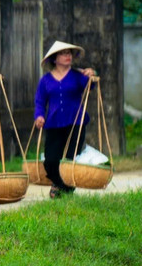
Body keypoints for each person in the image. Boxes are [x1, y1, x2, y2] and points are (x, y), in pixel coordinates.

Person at [34, 40, 97, 198]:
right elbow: (40, 101)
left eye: (69, 53)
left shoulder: (77, 76)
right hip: (54, 123)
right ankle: (59, 183)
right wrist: (39, 116)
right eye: (63, 54)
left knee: (70, 158)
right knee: (50, 160)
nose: (67, 56)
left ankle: (64, 188)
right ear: (55, 58)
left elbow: (91, 86)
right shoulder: (46, 80)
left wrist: (91, 74)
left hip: (75, 122)